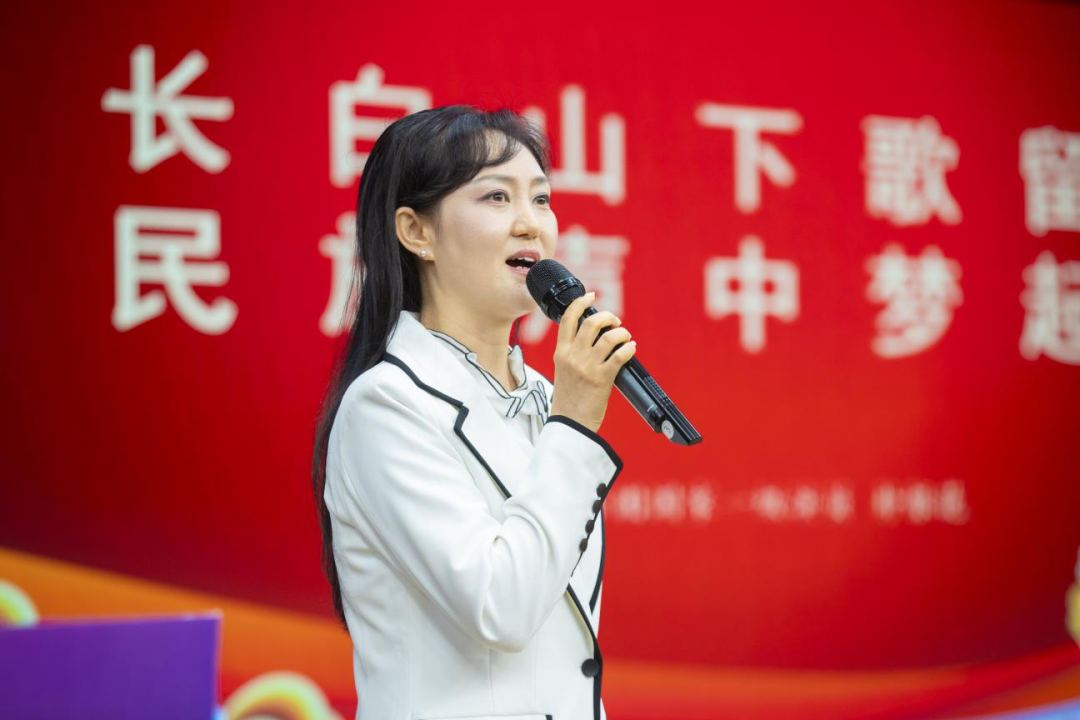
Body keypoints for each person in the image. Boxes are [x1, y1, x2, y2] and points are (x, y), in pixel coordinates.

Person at [311, 105, 636, 720]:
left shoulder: (542, 394)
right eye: (496, 197)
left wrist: (564, 413)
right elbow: (501, 606)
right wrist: (572, 423)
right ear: (417, 232)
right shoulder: (386, 404)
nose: (530, 223)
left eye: (541, 199)